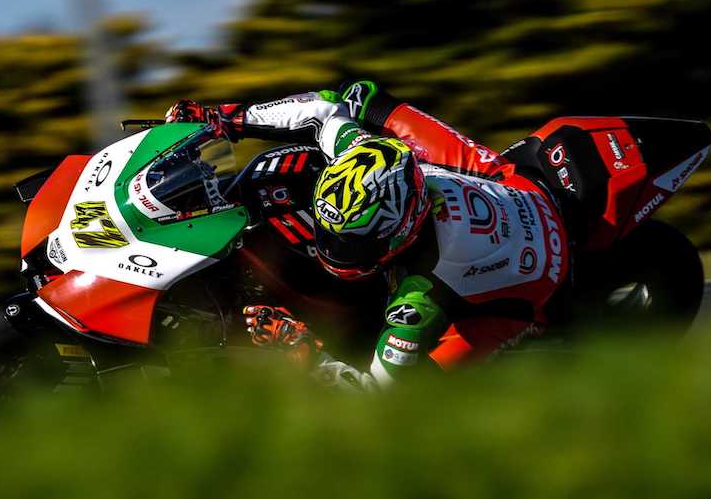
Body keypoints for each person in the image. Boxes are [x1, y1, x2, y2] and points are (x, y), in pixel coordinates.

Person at [165, 81, 569, 389]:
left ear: (399, 234)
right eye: (330, 233)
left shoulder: (419, 299)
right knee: (361, 95)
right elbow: (325, 107)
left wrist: (303, 350)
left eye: (350, 243)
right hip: (511, 186)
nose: (330, 248)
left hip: (530, 284)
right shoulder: (364, 151)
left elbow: (373, 392)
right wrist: (221, 119)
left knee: (421, 391)